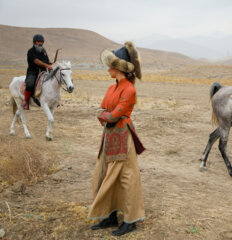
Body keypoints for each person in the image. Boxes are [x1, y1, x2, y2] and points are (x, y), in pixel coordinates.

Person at [88, 41, 146, 237]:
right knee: (103, 174)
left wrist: (106, 115)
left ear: (118, 68)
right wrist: (106, 115)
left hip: (124, 138)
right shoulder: (112, 88)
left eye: (110, 66)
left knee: (126, 178)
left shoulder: (129, 89)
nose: (107, 70)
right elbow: (102, 111)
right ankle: (110, 215)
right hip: (110, 136)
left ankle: (130, 220)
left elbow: (110, 115)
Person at [23, 34, 53, 110]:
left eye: (41, 42)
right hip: (33, 72)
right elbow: (36, 61)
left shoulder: (44, 51)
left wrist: (49, 62)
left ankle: (53, 100)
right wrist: (47, 65)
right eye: (38, 42)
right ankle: (26, 101)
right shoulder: (30, 51)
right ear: (34, 42)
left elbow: (46, 60)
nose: (40, 43)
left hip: (43, 72)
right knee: (30, 84)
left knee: (51, 83)